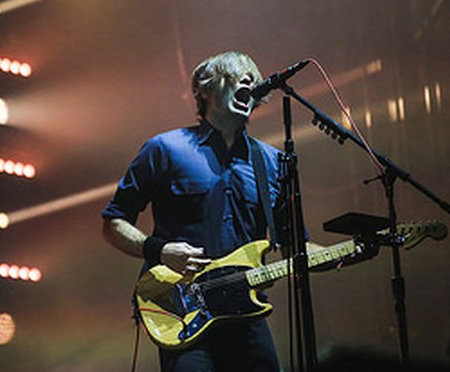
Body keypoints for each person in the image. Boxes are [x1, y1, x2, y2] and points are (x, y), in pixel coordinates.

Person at [102, 51, 321, 372]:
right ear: (203, 89)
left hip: (246, 314)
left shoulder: (273, 163)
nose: (249, 81)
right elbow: (113, 222)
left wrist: (356, 247)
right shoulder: (165, 149)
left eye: (253, 79)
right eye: (235, 76)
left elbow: (294, 247)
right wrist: (160, 251)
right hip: (183, 311)